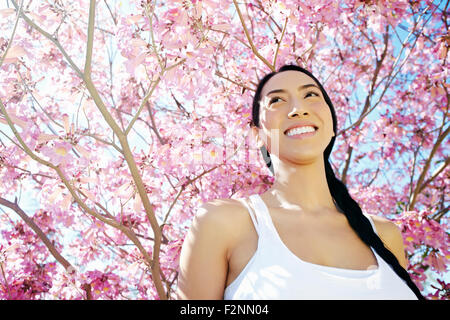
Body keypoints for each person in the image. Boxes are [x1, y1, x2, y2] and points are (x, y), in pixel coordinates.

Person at [176, 64, 425, 300]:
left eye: (311, 95)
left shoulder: (385, 234)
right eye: (276, 100)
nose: (298, 109)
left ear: (331, 125)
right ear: (257, 135)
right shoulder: (224, 221)